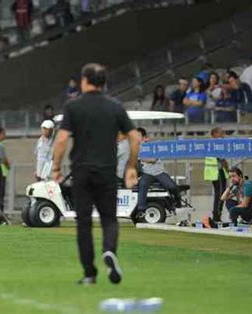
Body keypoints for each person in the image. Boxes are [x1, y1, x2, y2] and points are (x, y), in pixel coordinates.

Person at [52, 63, 140, 285]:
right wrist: (131, 166)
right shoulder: (115, 107)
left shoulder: (73, 106)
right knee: (109, 219)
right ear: (104, 83)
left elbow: (61, 139)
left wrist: (55, 167)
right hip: (106, 171)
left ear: (84, 81)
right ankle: (109, 251)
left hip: (81, 171)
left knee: (84, 223)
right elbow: (135, 137)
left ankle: (90, 273)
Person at [137, 127, 182, 214]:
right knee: (142, 186)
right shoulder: (136, 147)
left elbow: (153, 159)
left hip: (160, 172)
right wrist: (145, 159)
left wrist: (145, 158)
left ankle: (177, 202)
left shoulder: (153, 145)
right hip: (147, 173)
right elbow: (142, 159)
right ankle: (141, 209)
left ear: (143, 136)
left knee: (172, 186)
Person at [204, 127, 229, 222]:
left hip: (214, 173)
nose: (223, 135)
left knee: (218, 194)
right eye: (221, 133)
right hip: (218, 172)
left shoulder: (210, 144)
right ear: (215, 134)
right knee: (220, 195)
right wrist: (229, 170)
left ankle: (217, 215)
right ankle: (217, 216)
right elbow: (222, 160)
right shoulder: (217, 144)